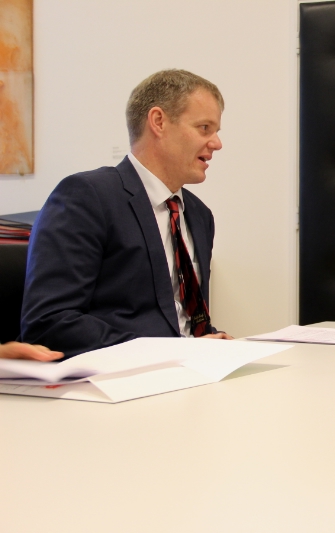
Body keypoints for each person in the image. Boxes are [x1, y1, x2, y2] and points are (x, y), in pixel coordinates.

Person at [20, 69, 233, 359]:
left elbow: (183, 322)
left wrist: (214, 342)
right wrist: (172, 352)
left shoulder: (199, 215)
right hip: (120, 378)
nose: (217, 143)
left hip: (192, 370)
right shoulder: (87, 196)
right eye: (204, 128)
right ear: (158, 122)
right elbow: (50, 323)